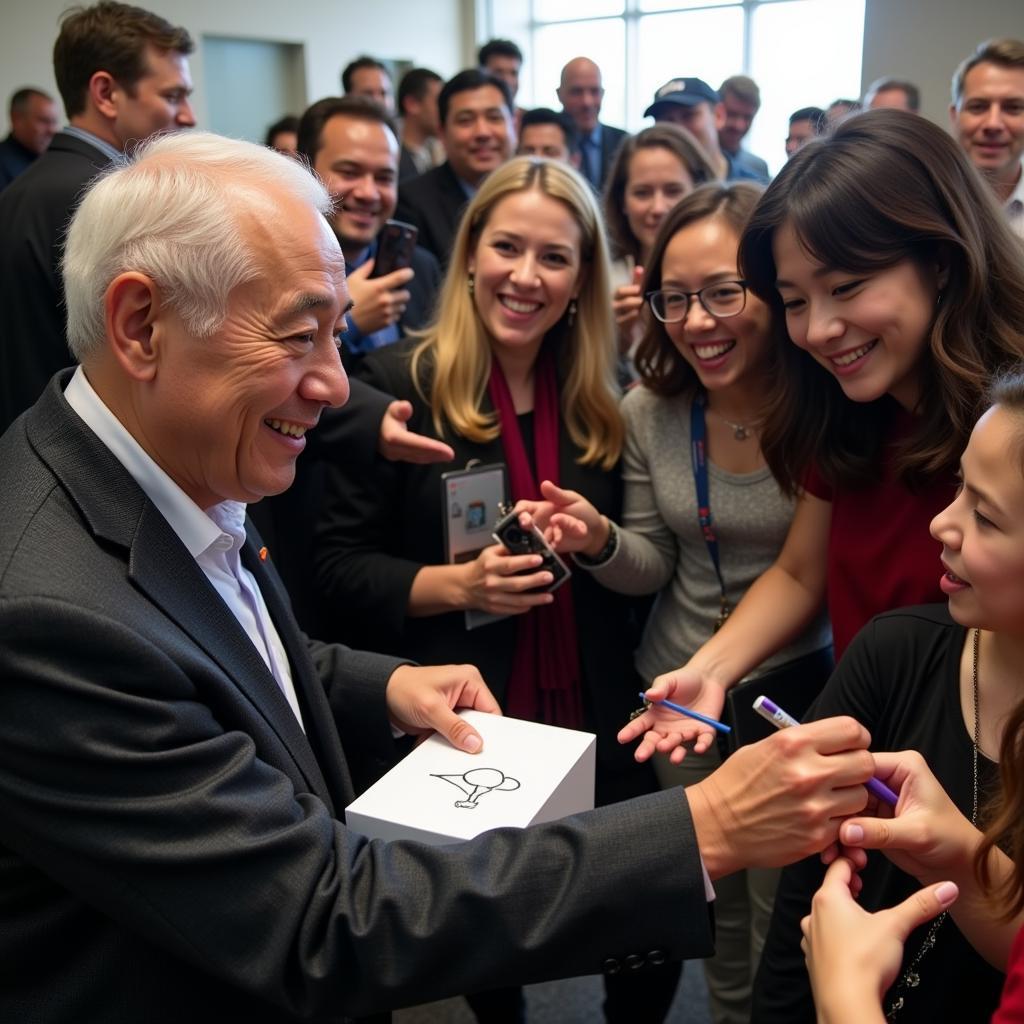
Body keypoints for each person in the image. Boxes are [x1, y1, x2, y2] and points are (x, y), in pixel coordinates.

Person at [0, 129, 881, 1023]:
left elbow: (226, 652)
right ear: (141, 325)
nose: (337, 388)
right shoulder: (46, 614)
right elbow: (319, 919)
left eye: (336, 335)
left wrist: (383, 683)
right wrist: (705, 827)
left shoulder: (166, 476)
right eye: (300, 336)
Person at [520, 183, 833, 1024]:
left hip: (793, 689)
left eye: (725, 292)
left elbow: (805, 577)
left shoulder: (825, 408)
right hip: (675, 695)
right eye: (677, 298)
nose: (698, 322)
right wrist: (598, 543)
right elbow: (655, 566)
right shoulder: (652, 409)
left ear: (774, 289)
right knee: (712, 908)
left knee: (784, 912)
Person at [627, 109, 1024, 769]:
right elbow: (799, 571)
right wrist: (712, 670)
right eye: (795, 300)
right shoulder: (849, 405)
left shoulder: (1005, 426)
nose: (819, 330)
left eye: (846, 287)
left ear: (942, 262)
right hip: (873, 741)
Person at [796, 370, 1024, 1022]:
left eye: (984, 515)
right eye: (958, 487)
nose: (940, 524)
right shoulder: (895, 652)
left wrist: (842, 992)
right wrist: (963, 858)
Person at [0, 0, 195, 435]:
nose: (188, 116)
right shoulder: (111, 203)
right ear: (106, 93)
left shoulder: (21, 191)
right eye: (172, 95)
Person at [297, 95, 440, 360]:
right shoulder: (281, 275)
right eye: (350, 172)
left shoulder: (420, 270)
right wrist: (346, 324)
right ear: (305, 171)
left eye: (384, 178)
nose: (369, 193)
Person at [601, 124, 715, 366]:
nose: (658, 208)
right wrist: (614, 342)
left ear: (701, 191)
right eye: (642, 193)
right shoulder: (601, 283)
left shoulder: (734, 275)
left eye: (673, 190)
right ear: (622, 201)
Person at [396, 69, 515, 267]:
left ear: (514, 124)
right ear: (442, 133)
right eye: (465, 120)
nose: (482, 133)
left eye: (494, 117)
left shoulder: (533, 196)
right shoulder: (412, 204)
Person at [949, 38, 1024, 237]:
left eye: (1013, 107)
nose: (993, 124)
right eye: (978, 106)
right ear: (955, 116)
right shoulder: (918, 200)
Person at [644, 77, 761, 185]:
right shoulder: (652, 194)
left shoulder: (755, 191)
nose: (678, 130)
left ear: (718, 115)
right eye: (667, 120)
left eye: (688, 116)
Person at [557, 57, 627, 191]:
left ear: (603, 94)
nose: (587, 102)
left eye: (594, 91)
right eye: (577, 92)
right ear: (560, 95)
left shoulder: (624, 143)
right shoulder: (544, 142)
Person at [0, 87, 60, 188]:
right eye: (44, 121)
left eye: (54, 122)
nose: (52, 130)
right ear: (16, 119)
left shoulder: (54, 162)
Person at [717, 74, 770, 183]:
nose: (739, 125)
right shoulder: (694, 161)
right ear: (717, 110)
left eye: (747, 118)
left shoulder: (758, 168)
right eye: (732, 114)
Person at [396, 66, 444, 181]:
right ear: (412, 104)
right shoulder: (391, 159)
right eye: (439, 102)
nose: (445, 111)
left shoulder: (438, 153)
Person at [478, 37, 526, 131]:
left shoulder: (530, 120)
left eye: (514, 73)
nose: (507, 80)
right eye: (498, 72)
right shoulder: (473, 121)